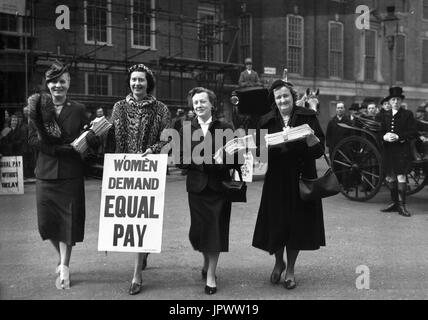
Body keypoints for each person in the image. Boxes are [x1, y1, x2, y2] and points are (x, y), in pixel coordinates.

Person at [28, 60, 97, 289]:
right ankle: (61, 257)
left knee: (68, 222)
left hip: (70, 174)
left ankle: (65, 266)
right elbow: (31, 139)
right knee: (47, 224)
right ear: (47, 84)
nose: (58, 86)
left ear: (69, 84)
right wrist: (56, 149)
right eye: (53, 82)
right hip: (45, 173)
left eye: (62, 81)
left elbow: (87, 135)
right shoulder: (37, 107)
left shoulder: (77, 109)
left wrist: (91, 137)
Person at [252, 79, 326, 290]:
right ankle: (278, 261)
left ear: (293, 97)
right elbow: (260, 155)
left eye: (286, 96)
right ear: (274, 101)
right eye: (278, 97)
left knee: (296, 225)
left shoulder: (308, 117)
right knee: (277, 223)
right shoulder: (266, 121)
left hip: (301, 177)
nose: (283, 100)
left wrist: (312, 141)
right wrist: (256, 150)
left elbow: (319, 151)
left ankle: (291, 268)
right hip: (276, 180)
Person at [107, 63, 170, 295]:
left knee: (145, 218)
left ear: (148, 83)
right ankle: (141, 255)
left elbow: (167, 138)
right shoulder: (118, 107)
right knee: (132, 218)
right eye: (133, 79)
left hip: (150, 170)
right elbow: (113, 138)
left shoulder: (161, 109)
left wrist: (153, 150)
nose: (136, 83)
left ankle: (136, 274)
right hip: (125, 171)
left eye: (141, 80)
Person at [178, 87, 242, 295]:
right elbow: (180, 160)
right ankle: (206, 262)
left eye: (202, 102)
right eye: (195, 103)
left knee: (215, 232)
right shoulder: (186, 127)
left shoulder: (226, 126)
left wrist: (222, 161)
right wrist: (201, 161)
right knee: (199, 233)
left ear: (211, 104)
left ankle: (211, 276)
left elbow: (236, 159)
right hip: (196, 189)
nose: (198, 106)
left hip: (218, 188)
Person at [375, 87, 417, 217]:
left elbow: (413, 132)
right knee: (390, 177)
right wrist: (384, 136)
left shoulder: (407, 114)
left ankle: (402, 205)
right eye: (393, 99)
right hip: (388, 150)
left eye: (398, 99)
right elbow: (377, 132)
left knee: (401, 176)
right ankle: (394, 203)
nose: (396, 102)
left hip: (402, 150)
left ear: (401, 101)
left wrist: (399, 137)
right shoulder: (384, 115)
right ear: (390, 101)